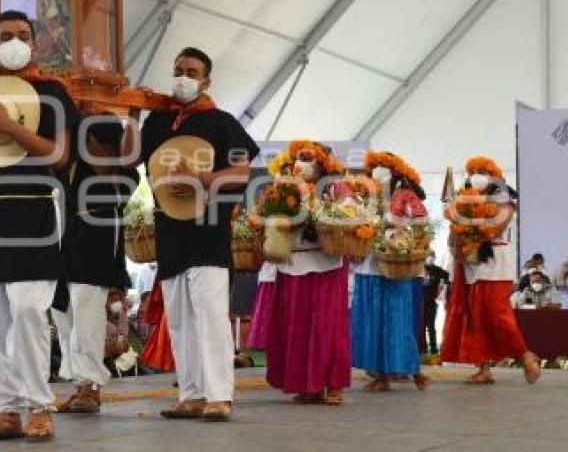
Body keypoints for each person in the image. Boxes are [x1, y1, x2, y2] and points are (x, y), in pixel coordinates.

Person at [0, 10, 79, 441]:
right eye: (5, 36)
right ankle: (4, 406)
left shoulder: (52, 92)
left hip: (35, 207)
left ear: (36, 45)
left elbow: (58, 157)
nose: (14, 42)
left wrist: (9, 127)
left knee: (28, 309)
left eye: (22, 35)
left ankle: (39, 404)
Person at [123, 47, 259, 421]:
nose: (183, 76)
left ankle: (219, 396)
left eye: (192, 71)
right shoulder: (158, 121)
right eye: (178, 69)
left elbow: (241, 173)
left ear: (206, 80)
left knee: (210, 314)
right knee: (180, 317)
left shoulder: (222, 122)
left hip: (208, 230)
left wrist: (203, 179)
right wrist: (134, 113)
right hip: (169, 227)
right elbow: (127, 159)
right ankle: (192, 394)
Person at [52, 103, 138, 414]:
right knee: (63, 311)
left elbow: (104, 165)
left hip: (97, 232)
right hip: (62, 232)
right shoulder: (67, 156)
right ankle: (78, 383)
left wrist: (84, 122)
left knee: (86, 308)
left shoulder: (122, 172)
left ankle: (90, 385)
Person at [441, 156, 540, 385]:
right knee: (475, 317)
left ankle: (525, 357)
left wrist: (467, 223)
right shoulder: (465, 201)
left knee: (498, 315)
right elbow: (456, 230)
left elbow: (494, 229)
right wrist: (458, 228)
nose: (475, 175)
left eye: (481, 171)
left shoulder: (504, 201)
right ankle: (483, 367)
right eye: (472, 171)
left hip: (496, 265)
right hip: (471, 264)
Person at [265, 142, 351, 405]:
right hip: (294, 262)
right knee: (297, 326)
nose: (302, 164)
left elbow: (351, 214)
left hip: (327, 261)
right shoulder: (283, 186)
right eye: (299, 159)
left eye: (308, 158)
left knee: (328, 324)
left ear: (323, 163)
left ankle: (333, 385)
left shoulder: (337, 187)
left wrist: (320, 213)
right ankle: (307, 385)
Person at [352, 151, 429, 392]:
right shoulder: (364, 195)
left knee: (395, 321)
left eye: (383, 167)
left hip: (394, 267)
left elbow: (422, 222)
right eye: (374, 167)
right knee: (370, 322)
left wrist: (398, 230)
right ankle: (379, 373)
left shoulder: (405, 196)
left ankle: (402, 370)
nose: (378, 172)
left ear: (395, 173)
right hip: (368, 267)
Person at [421, 254, 449, 355]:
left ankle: (433, 351)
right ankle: (422, 350)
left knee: (431, 327)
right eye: (428, 255)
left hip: (431, 302)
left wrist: (442, 287)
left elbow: (448, 277)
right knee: (420, 327)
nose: (430, 258)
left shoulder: (437, 270)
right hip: (419, 302)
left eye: (432, 256)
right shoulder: (418, 268)